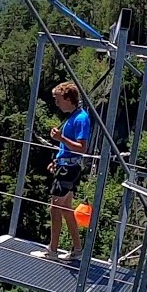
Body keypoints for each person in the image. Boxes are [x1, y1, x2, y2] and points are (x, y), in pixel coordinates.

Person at [32, 81, 92, 261]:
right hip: (65, 166)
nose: (56, 103)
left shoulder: (80, 118)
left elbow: (82, 148)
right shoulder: (74, 116)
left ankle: (53, 249)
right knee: (65, 209)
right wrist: (57, 160)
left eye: (58, 99)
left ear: (68, 98)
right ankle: (78, 250)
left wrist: (60, 137)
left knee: (55, 208)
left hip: (68, 169)